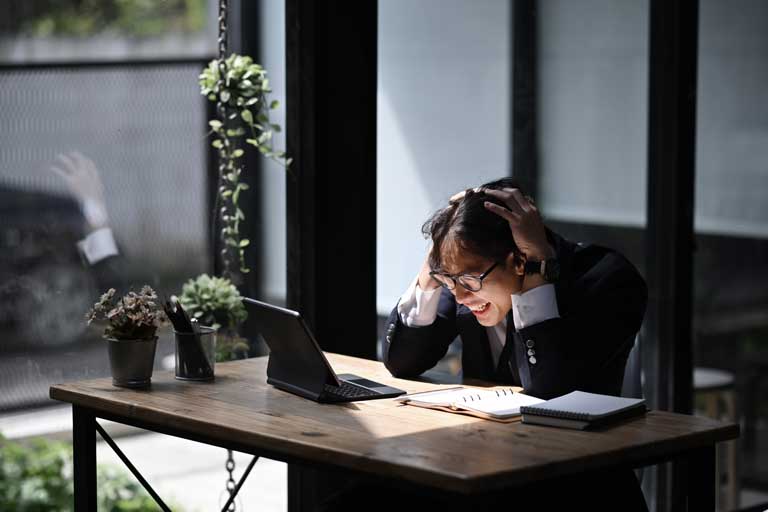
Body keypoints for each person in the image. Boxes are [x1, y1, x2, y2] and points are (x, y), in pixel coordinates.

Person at [380, 176, 649, 510]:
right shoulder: (469, 280)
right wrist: (436, 261)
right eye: (450, 281)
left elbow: (548, 391)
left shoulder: (608, 280)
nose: (460, 296)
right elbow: (403, 360)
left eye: (467, 281)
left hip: (571, 483)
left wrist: (537, 274)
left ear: (518, 259)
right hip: (479, 467)